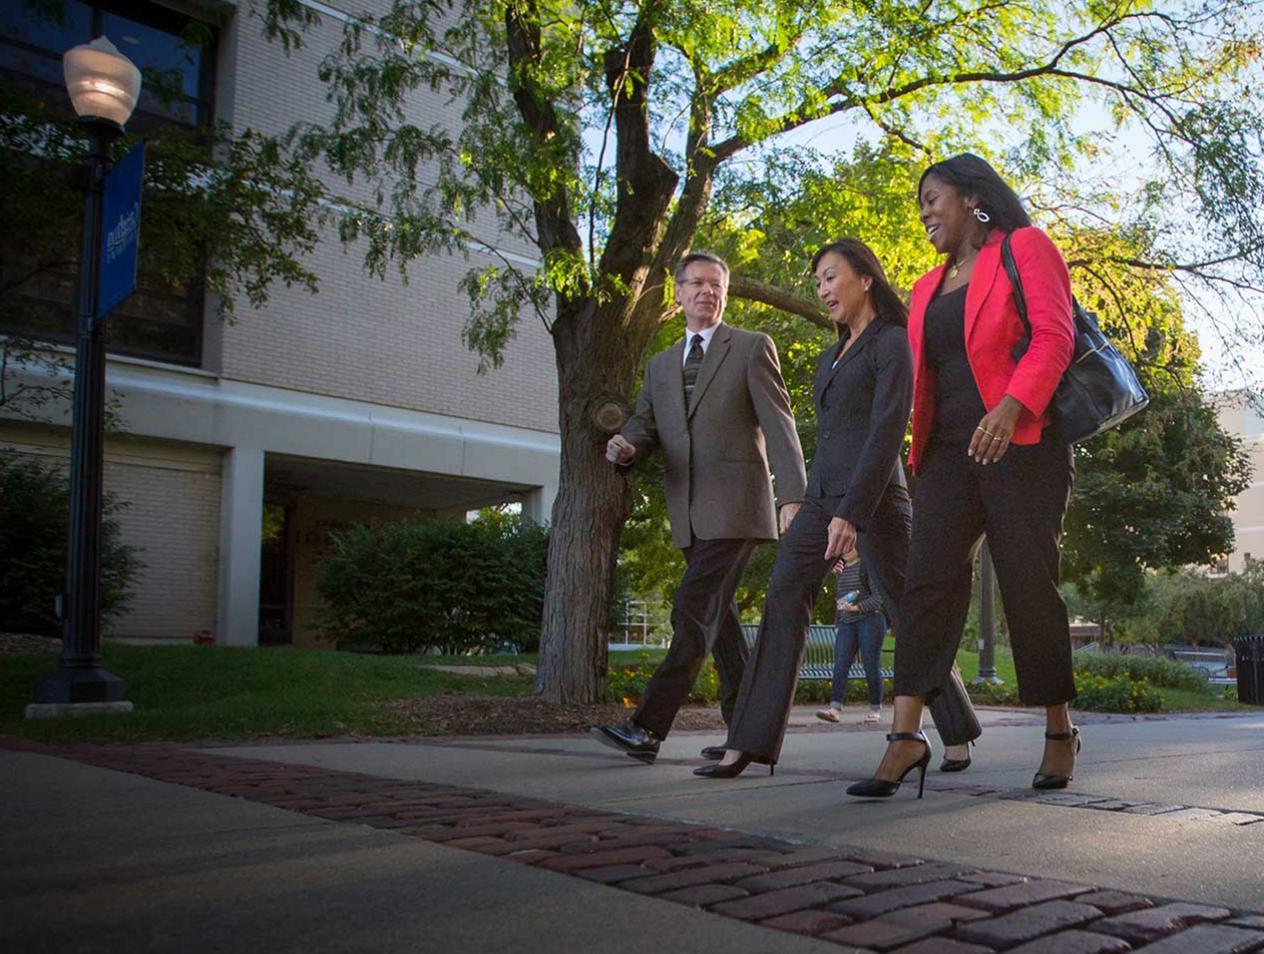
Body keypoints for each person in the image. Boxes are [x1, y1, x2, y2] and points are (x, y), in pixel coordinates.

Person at [694, 238, 980, 779]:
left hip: (875, 500)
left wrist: (852, 512)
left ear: (865, 278)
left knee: (905, 613)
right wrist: (803, 499)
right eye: (818, 281)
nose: (823, 289)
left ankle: (955, 728)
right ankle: (747, 742)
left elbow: (886, 430)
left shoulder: (892, 343)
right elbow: (829, 438)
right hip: (821, 499)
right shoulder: (831, 355)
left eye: (831, 276)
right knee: (782, 599)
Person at [848, 154, 1078, 800]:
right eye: (919, 203)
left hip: (1022, 444)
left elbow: (1054, 337)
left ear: (973, 199)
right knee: (925, 588)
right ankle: (904, 739)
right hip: (946, 455)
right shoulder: (926, 287)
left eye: (933, 198)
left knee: (1028, 584)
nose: (924, 212)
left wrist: (1011, 406)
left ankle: (1059, 728)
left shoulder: (1025, 249)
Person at [591, 252, 807, 764]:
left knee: (691, 614)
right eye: (697, 284)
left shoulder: (751, 348)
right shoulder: (661, 365)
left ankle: (647, 728)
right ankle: (747, 739)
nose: (707, 291)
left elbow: (780, 424)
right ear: (679, 293)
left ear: (724, 293)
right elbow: (644, 424)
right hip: (688, 513)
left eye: (716, 284)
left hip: (736, 509)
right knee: (723, 632)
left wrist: (793, 496)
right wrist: (624, 446)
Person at [816, 547, 886, 725]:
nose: (845, 550)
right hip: (847, 623)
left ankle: (875, 708)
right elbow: (841, 598)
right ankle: (834, 709)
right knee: (841, 663)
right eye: (843, 547)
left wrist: (855, 608)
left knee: (870, 664)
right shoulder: (842, 569)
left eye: (850, 546)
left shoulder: (867, 567)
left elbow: (878, 598)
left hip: (869, 621)